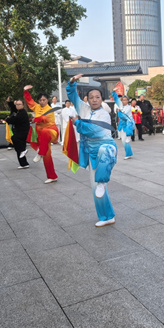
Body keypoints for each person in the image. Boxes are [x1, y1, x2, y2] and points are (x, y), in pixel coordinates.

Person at [67, 73, 118, 227]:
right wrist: (72, 83)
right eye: (91, 97)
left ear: (101, 99)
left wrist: (77, 122)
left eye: (97, 97)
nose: (94, 99)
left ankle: (102, 180)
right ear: (87, 99)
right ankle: (106, 217)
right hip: (91, 153)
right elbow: (73, 96)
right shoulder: (84, 109)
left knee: (104, 151)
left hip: (107, 149)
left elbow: (93, 131)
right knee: (96, 189)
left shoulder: (104, 114)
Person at [23, 86, 58, 184]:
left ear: (47, 100)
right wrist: (25, 91)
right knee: (47, 156)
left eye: (44, 100)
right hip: (42, 138)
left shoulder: (50, 110)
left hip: (51, 132)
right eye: (40, 100)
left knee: (44, 131)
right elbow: (30, 101)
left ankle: (40, 153)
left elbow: (44, 118)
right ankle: (52, 176)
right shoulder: (37, 107)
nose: (42, 101)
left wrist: (35, 119)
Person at [5, 98, 30, 169]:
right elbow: (13, 109)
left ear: (23, 105)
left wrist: (7, 120)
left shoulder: (22, 113)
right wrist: (10, 102)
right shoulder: (19, 111)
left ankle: (24, 151)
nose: (18, 106)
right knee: (18, 148)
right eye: (17, 104)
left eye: (19, 104)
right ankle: (24, 163)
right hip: (19, 131)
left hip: (22, 132)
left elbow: (15, 120)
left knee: (15, 139)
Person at [113, 93, 135, 159]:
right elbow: (116, 99)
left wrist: (119, 111)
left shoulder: (128, 107)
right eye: (123, 100)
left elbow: (123, 115)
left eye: (125, 100)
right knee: (123, 140)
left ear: (128, 101)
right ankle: (129, 153)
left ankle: (128, 154)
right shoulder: (121, 106)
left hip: (127, 125)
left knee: (125, 140)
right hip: (121, 125)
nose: (124, 101)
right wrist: (114, 92)